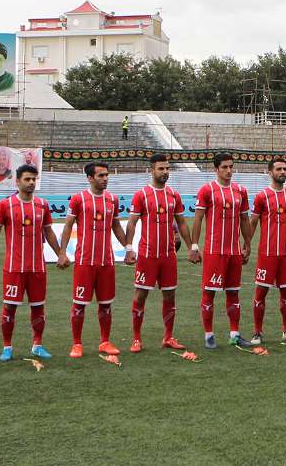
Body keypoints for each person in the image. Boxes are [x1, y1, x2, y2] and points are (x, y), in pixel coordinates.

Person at [0, 163, 67, 362]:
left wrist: (60, 254)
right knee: (10, 307)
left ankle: (37, 345)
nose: (31, 183)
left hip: (37, 267)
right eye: (27, 179)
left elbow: (48, 232)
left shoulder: (43, 205)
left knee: (38, 307)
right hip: (14, 267)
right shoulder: (5, 205)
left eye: (34, 179)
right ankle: (7, 347)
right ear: (18, 181)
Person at [124, 153, 198, 351]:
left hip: (168, 256)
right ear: (152, 170)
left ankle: (168, 337)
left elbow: (182, 223)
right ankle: (136, 339)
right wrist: (129, 248)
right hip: (147, 255)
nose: (165, 172)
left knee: (170, 296)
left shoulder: (174, 195)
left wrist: (192, 247)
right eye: (161, 169)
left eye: (167, 169)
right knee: (140, 296)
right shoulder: (142, 195)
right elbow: (131, 222)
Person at [61, 162, 130, 357]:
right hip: (84, 261)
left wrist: (128, 248)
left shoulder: (112, 200)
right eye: (101, 175)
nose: (105, 178)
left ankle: (105, 342)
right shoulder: (78, 199)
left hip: (106, 261)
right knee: (79, 303)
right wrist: (62, 252)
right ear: (90, 178)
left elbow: (116, 226)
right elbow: (67, 226)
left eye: (107, 175)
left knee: (106, 303)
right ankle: (77, 344)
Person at [189, 153, 253, 349]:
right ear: (215, 169)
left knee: (233, 292)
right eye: (224, 167)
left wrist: (247, 244)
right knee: (210, 292)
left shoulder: (240, 191)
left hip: (234, 251)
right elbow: (198, 219)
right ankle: (209, 335)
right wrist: (194, 246)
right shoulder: (207, 190)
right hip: (214, 251)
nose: (229, 171)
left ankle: (234, 334)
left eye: (231, 167)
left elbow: (244, 220)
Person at [247, 157, 286, 345]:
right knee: (261, 292)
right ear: (270, 172)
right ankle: (257, 332)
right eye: (279, 169)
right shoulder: (262, 196)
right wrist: (246, 244)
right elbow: (253, 222)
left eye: (284, 169)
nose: (282, 172)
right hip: (267, 253)